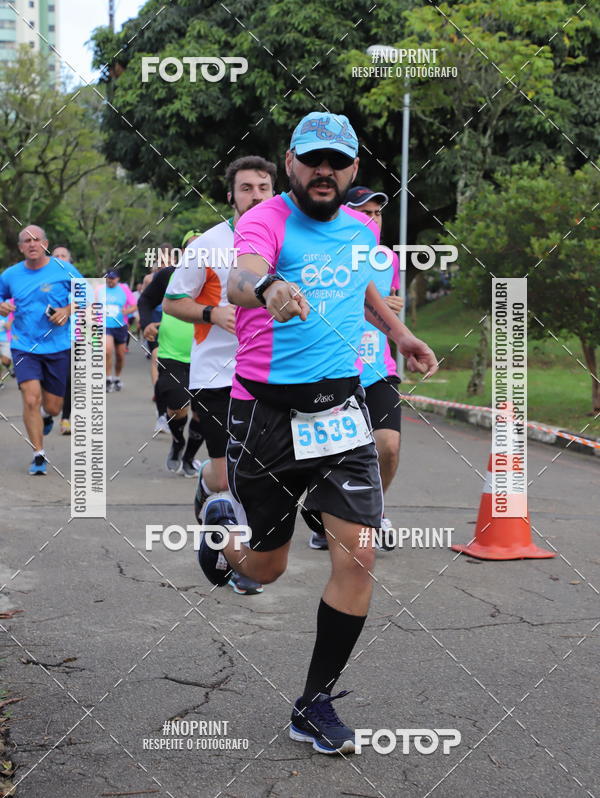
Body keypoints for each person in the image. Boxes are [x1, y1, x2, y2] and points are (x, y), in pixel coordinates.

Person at [196, 112, 437, 753]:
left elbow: (361, 291)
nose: (324, 172)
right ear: (293, 165)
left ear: (354, 170)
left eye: (337, 162)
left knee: (360, 554)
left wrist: (401, 334)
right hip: (268, 416)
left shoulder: (360, 231)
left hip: (341, 414)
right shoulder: (266, 220)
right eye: (312, 161)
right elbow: (245, 275)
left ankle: (314, 702)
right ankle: (221, 537)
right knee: (265, 569)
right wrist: (270, 285)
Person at [163, 155, 277, 597]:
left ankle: (214, 498)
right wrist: (213, 311)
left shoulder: (286, 240)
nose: (255, 196)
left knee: (257, 472)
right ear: (230, 195)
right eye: (246, 188)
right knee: (232, 475)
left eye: (263, 187)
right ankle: (242, 562)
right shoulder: (207, 245)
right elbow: (174, 301)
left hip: (273, 374)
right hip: (217, 375)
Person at [303, 186, 404, 550]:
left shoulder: (388, 259)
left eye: (377, 213)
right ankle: (326, 517)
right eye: (364, 213)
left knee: (387, 446)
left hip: (378, 367)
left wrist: (392, 307)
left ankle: (373, 512)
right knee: (332, 456)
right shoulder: (324, 255)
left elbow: (384, 305)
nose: (372, 220)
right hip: (334, 369)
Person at [0, 226, 84, 474]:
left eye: (37, 240)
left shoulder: (64, 270)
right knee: (30, 398)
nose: (32, 244)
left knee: (54, 406)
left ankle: (49, 417)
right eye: (27, 241)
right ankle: (39, 454)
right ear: (21, 247)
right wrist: (2, 306)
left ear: (45, 244)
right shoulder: (10, 275)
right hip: (24, 345)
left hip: (57, 346)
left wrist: (67, 311)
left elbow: (86, 294)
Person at [138, 232, 205, 476]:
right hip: (172, 353)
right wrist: (146, 322)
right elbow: (145, 300)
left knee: (204, 415)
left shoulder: (221, 276)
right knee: (177, 408)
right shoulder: (168, 275)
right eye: (192, 246)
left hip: (208, 358)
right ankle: (178, 442)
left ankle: (189, 458)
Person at [52, 246, 75, 435]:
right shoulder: (46, 282)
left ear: (70, 260)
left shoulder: (80, 284)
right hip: (49, 340)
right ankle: (48, 411)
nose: (60, 259)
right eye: (56, 256)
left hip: (74, 338)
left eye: (63, 256)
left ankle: (66, 418)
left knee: (69, 380)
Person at [101, 270, 136, 392]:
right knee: (107, 350)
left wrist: (128, 311)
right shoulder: (100, 289)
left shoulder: (124, 289)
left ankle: (117, 377)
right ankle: (108, 378)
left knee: (120, 355)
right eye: (108, 278)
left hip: (121, 325)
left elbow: (134, 305)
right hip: (105, 325)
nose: (110, 280)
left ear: (118, 279)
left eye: (113, 278)